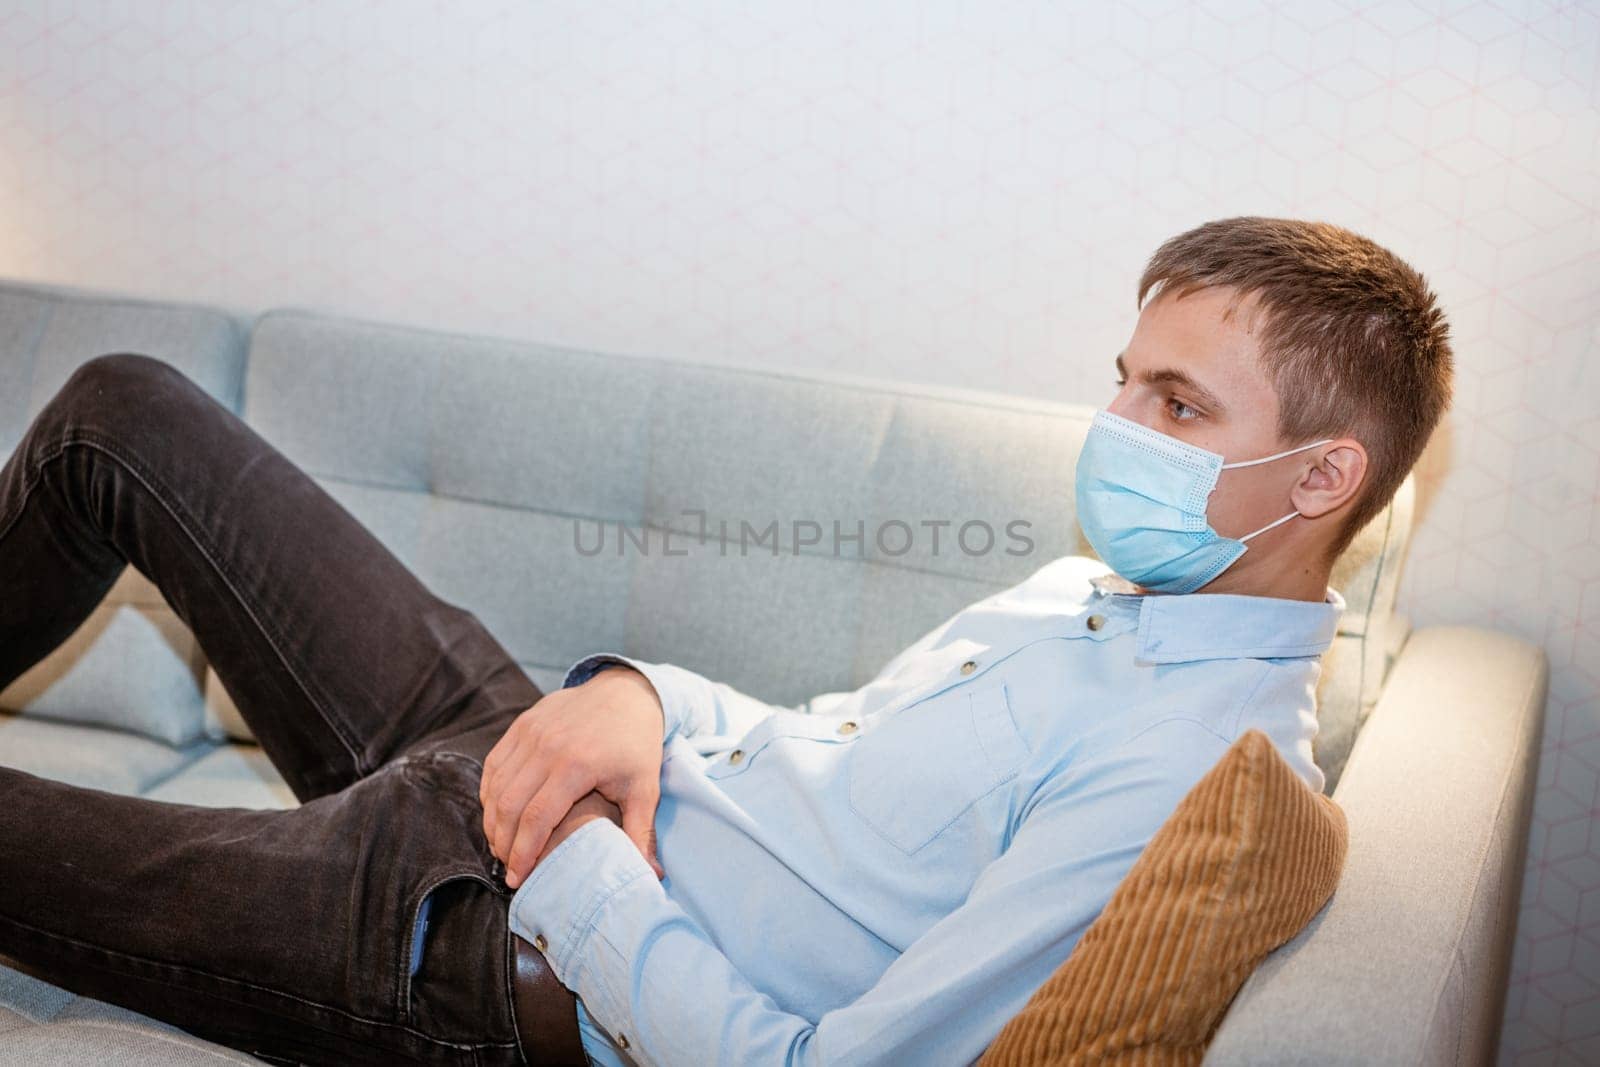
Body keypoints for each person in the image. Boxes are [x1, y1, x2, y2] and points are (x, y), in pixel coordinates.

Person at [0, 215, 1452, 1066]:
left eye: (1178, 406)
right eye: (1123, 383)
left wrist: (578, 877)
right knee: (123, 412)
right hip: (539, 758)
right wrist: (636, 694)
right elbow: (815, 735)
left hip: (491, 936)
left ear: (1324, 476)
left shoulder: (1194, 778)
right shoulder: (1089, 591)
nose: (1115, 429)